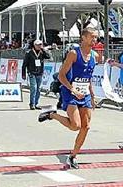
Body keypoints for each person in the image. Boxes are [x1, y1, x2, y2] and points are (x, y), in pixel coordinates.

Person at [38, 28, 98, 169]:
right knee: (75, 125)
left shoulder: (95, 56)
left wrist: (92, 95)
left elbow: (88, 78)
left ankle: (73, 156)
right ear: (83, 38)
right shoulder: (73, 54)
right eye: (92, 37)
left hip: (85, 94)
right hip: (70, 92)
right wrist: (73, 89)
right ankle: (52, 115)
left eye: (96, 37)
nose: (94, 40)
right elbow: (61, 75)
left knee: (86, 126)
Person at [22, 39, 51, 110]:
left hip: (40, 73)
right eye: (38, 45)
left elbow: (48, 56)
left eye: (40, 44)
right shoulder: (29, 53)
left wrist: (44, 50)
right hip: (32, 72)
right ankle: (32, 104)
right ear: (34, 45)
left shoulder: (42, 52)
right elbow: (24, 64)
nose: (39, 46)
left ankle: (36, 103)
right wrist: (23, 74)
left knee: (38, 89)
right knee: (34, 88)